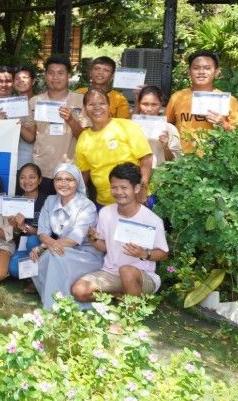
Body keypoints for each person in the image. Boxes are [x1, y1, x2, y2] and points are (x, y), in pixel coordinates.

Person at [71, 163, 169, 302]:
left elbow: (163, 254)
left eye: (124, 188)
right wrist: (92, 239)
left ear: (136, 188)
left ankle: (129, 318)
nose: (118, 192)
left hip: (141, 277)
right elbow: (106, 247)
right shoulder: (106, 213)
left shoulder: (152, 220)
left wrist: (143, 254)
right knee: (79, 291)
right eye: (114, 187)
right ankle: (120, 295)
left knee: (126, 271)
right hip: (111, 273)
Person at [29, 163, 102, 311]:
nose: (63, 183)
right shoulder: (50, 201)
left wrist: (43, 246)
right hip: (60, 247)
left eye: (69, 179)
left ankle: (53, 307)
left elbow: (75, 239)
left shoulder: (87, 206)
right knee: (37, 260)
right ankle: (52, 297)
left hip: (85, 253)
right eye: (59, 179)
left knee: (54, 255)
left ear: (78, 182)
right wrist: (46, 244)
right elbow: (43, 232)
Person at [21, 55, 87, 194]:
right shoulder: (34, 102)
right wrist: (16, 124)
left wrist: (70, 120)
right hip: (42, 170)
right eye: (51, 73)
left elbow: (84, 137)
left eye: (60, 73)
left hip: (70, 170)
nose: (55, 77)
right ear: (45, 76)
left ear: (68, 76)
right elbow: (30, 137)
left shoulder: (80, 101)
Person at [75, 89, 153, 207]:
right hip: (104, 204)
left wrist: (142, 189)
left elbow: (146, 158)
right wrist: (79, 198)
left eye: (102, 103)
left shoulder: (127, 126)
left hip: (136, 199)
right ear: (85, 109)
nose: (97, 107)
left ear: (109, 106)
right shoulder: (83, 138)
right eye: (91, 104)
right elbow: (84, 173)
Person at [166, 50, 238, 153]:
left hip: (216, 161)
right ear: (189, 71)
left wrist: (224, 124)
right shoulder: (177, 97)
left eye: (207, 68)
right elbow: (165, 124)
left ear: (216, 72)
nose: (201, 72)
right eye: (196, 68)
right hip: (182, 162)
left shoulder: (229, 100)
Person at [7, 163, 48, 279]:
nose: (27, 181)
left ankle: (37, 277)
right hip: (22, 244)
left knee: (32, 240)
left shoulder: (48, 201)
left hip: (43, 243)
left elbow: (49, 234)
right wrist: (15, 226)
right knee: (14, 269)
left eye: (32, 177)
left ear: (39, 180)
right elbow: (15, 233)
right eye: (22, 177)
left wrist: (25, 227)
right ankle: (34, 273)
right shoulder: (15, 202)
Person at [135, 85, 183, 171]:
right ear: (139, 103)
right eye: (145, 104)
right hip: (134, 177)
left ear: (161, 104)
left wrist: (165, 147)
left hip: (159, 178)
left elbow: (176, 162)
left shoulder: (169, 129)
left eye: (154, 104)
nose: (149, 109)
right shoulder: (131, 126)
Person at [13, 65, 38, 169]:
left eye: (25, 78)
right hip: (16, 158)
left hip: (37, 157)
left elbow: (32, 137)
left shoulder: (40, 102)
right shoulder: (10, 104)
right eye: (17, 78)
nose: (21, 81)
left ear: (33, 81)